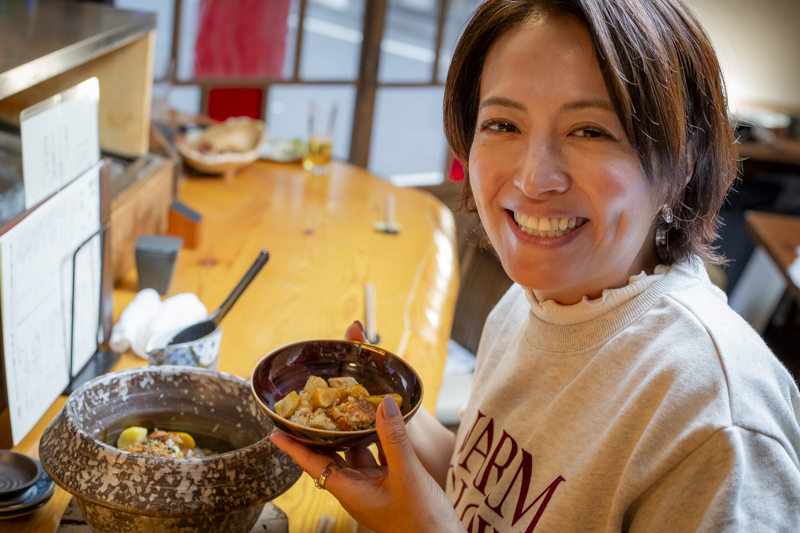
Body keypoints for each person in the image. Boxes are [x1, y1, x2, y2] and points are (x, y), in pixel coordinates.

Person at [270, 0, 800, 530]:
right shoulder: (533, 303)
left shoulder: (716, 422)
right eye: (502, 123)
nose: (532, 178)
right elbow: (491, 495)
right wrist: (385, 414)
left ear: (680, 167)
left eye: (590, 131)